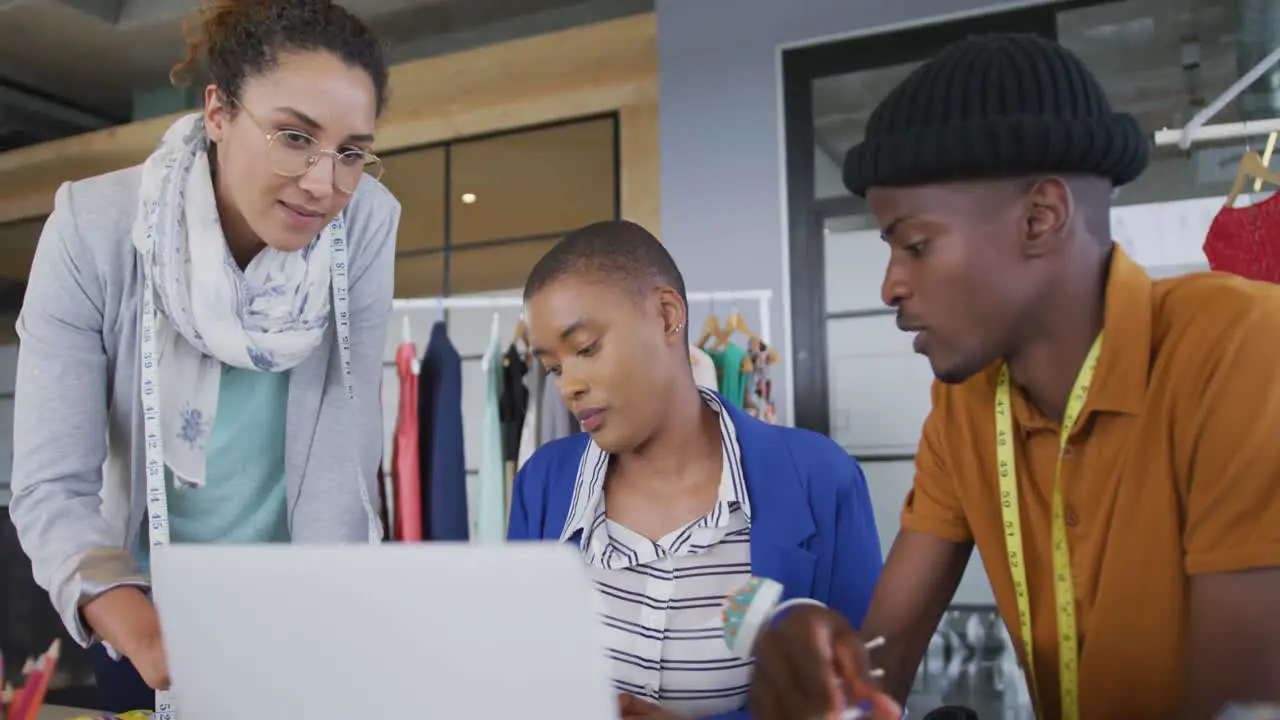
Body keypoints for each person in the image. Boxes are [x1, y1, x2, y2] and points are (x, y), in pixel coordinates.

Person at [748, 32, 1280, 720]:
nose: (889, 285)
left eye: (915, 244)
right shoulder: (966, 405)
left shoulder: (1242, 350)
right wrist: (826, 673)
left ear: (1040, 218)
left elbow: (1240, 705)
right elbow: (879, 661)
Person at [9, 0, 399, 711]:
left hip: (304, 619)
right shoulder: (95, 229)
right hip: (145, 616)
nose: (324, 182)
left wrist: (340, 615)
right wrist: (146, 634)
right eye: (293, 136)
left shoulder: (364, 223)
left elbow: (347, 449)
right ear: (218, 111)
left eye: (351, 152)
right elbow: (50, 485)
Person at [507, 220, 885, 720]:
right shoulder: (542, 485)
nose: (568, 386)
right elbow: (518, 675)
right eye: (554, 367)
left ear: (667, 316)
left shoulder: (820, 477)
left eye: (586, 349)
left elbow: (866, 696)